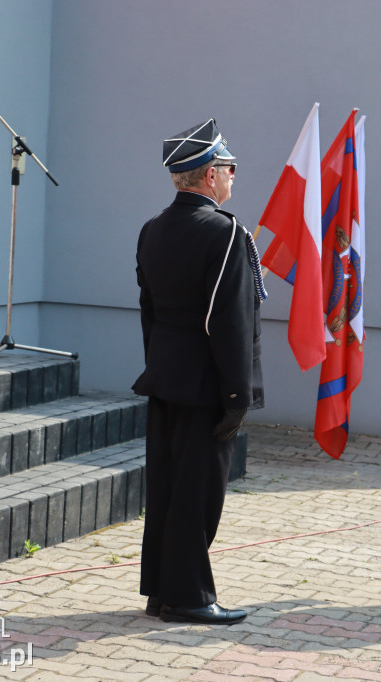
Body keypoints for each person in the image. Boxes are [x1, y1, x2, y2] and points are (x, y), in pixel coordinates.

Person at [133, 118, 265, 625]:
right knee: (198, 495)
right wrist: (238, 397)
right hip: (206, 385)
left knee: (166, 489)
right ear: (210, 175)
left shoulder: (152, 228)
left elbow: (149, 311)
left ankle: (161, 590)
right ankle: (188, 597)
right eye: (230, 168)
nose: (234, 177)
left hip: (165, 378)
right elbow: (230, 323)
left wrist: (159, 367)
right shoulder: (226, 232)